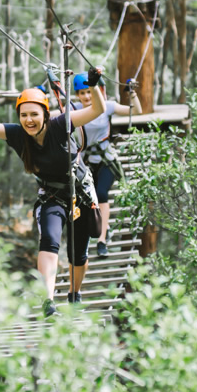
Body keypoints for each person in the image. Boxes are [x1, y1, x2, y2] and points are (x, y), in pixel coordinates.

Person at [0, 68, 106, 317]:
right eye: (24, 115)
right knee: (49, 240)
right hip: (52, 196)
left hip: (80, 194)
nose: (29, 120)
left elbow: (97, 110)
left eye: (34, 114)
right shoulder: (17, 135)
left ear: (45, 114)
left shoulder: (61, 124)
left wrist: (95, 84)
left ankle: (74, 294)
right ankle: (48, 300)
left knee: (78, 254)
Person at [72, 73, 142, 257]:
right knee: (89, 201)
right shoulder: (75, 109)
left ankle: (102, 240)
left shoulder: (107, 106)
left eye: (89, 92)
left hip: (106, 160)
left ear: (97, 90)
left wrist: (131, 93)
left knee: (101, 194)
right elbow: (54, 116)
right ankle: (105, 226)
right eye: (82, 93)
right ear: (77, 96)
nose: (87, 97)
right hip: (86, 162)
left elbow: (136, 111)